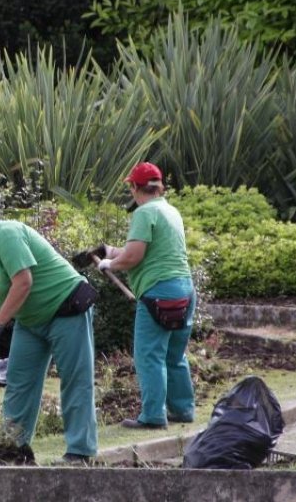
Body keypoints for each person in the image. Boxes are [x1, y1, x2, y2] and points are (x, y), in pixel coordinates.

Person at [0, 194, 98, 464]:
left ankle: (79, 452)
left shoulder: (7, 235)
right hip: (31, 319)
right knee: (19, 383)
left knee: (75, 381)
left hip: (66, 307)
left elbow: (23, 282)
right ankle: (14, 449)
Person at [85, 162, 196, 429]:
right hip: (185, 289)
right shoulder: (170, 211)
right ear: (160, 187)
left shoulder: (144, 213)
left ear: (135, 187)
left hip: (158, 292)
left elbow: (134, 256)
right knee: (174, 354)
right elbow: (148, 249)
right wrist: (110, 250)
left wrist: (108, 264)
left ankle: (153, 417)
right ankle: (183, 410)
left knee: (149, 356)